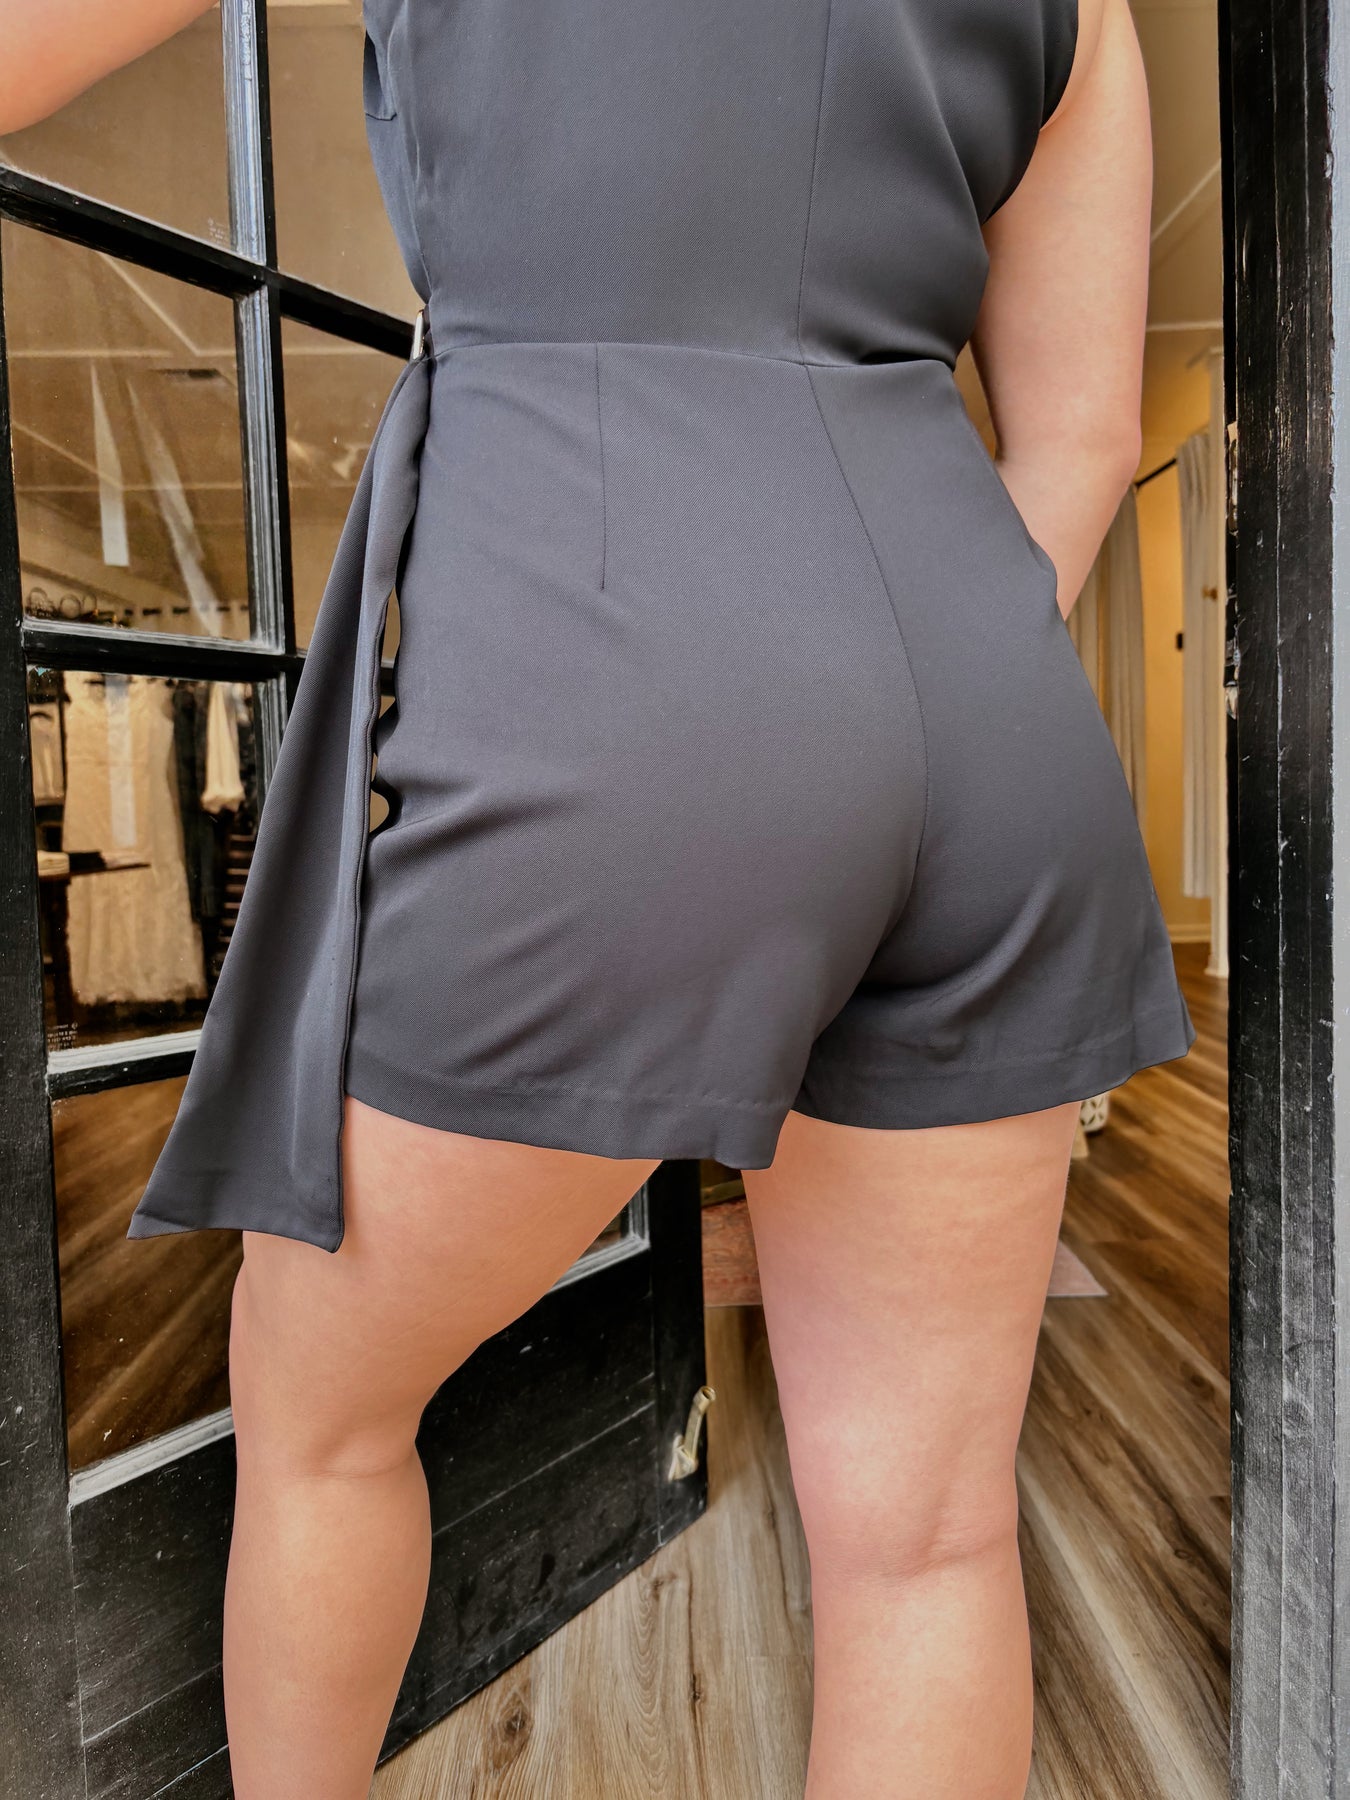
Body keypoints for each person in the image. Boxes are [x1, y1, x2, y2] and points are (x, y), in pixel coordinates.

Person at [4, 0, 1190, 1794]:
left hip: (621, 660)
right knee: (925, 1538)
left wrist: (751, 715)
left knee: (321, 1419)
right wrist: (881, 689)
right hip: (988, 710)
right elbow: (1083, 437)